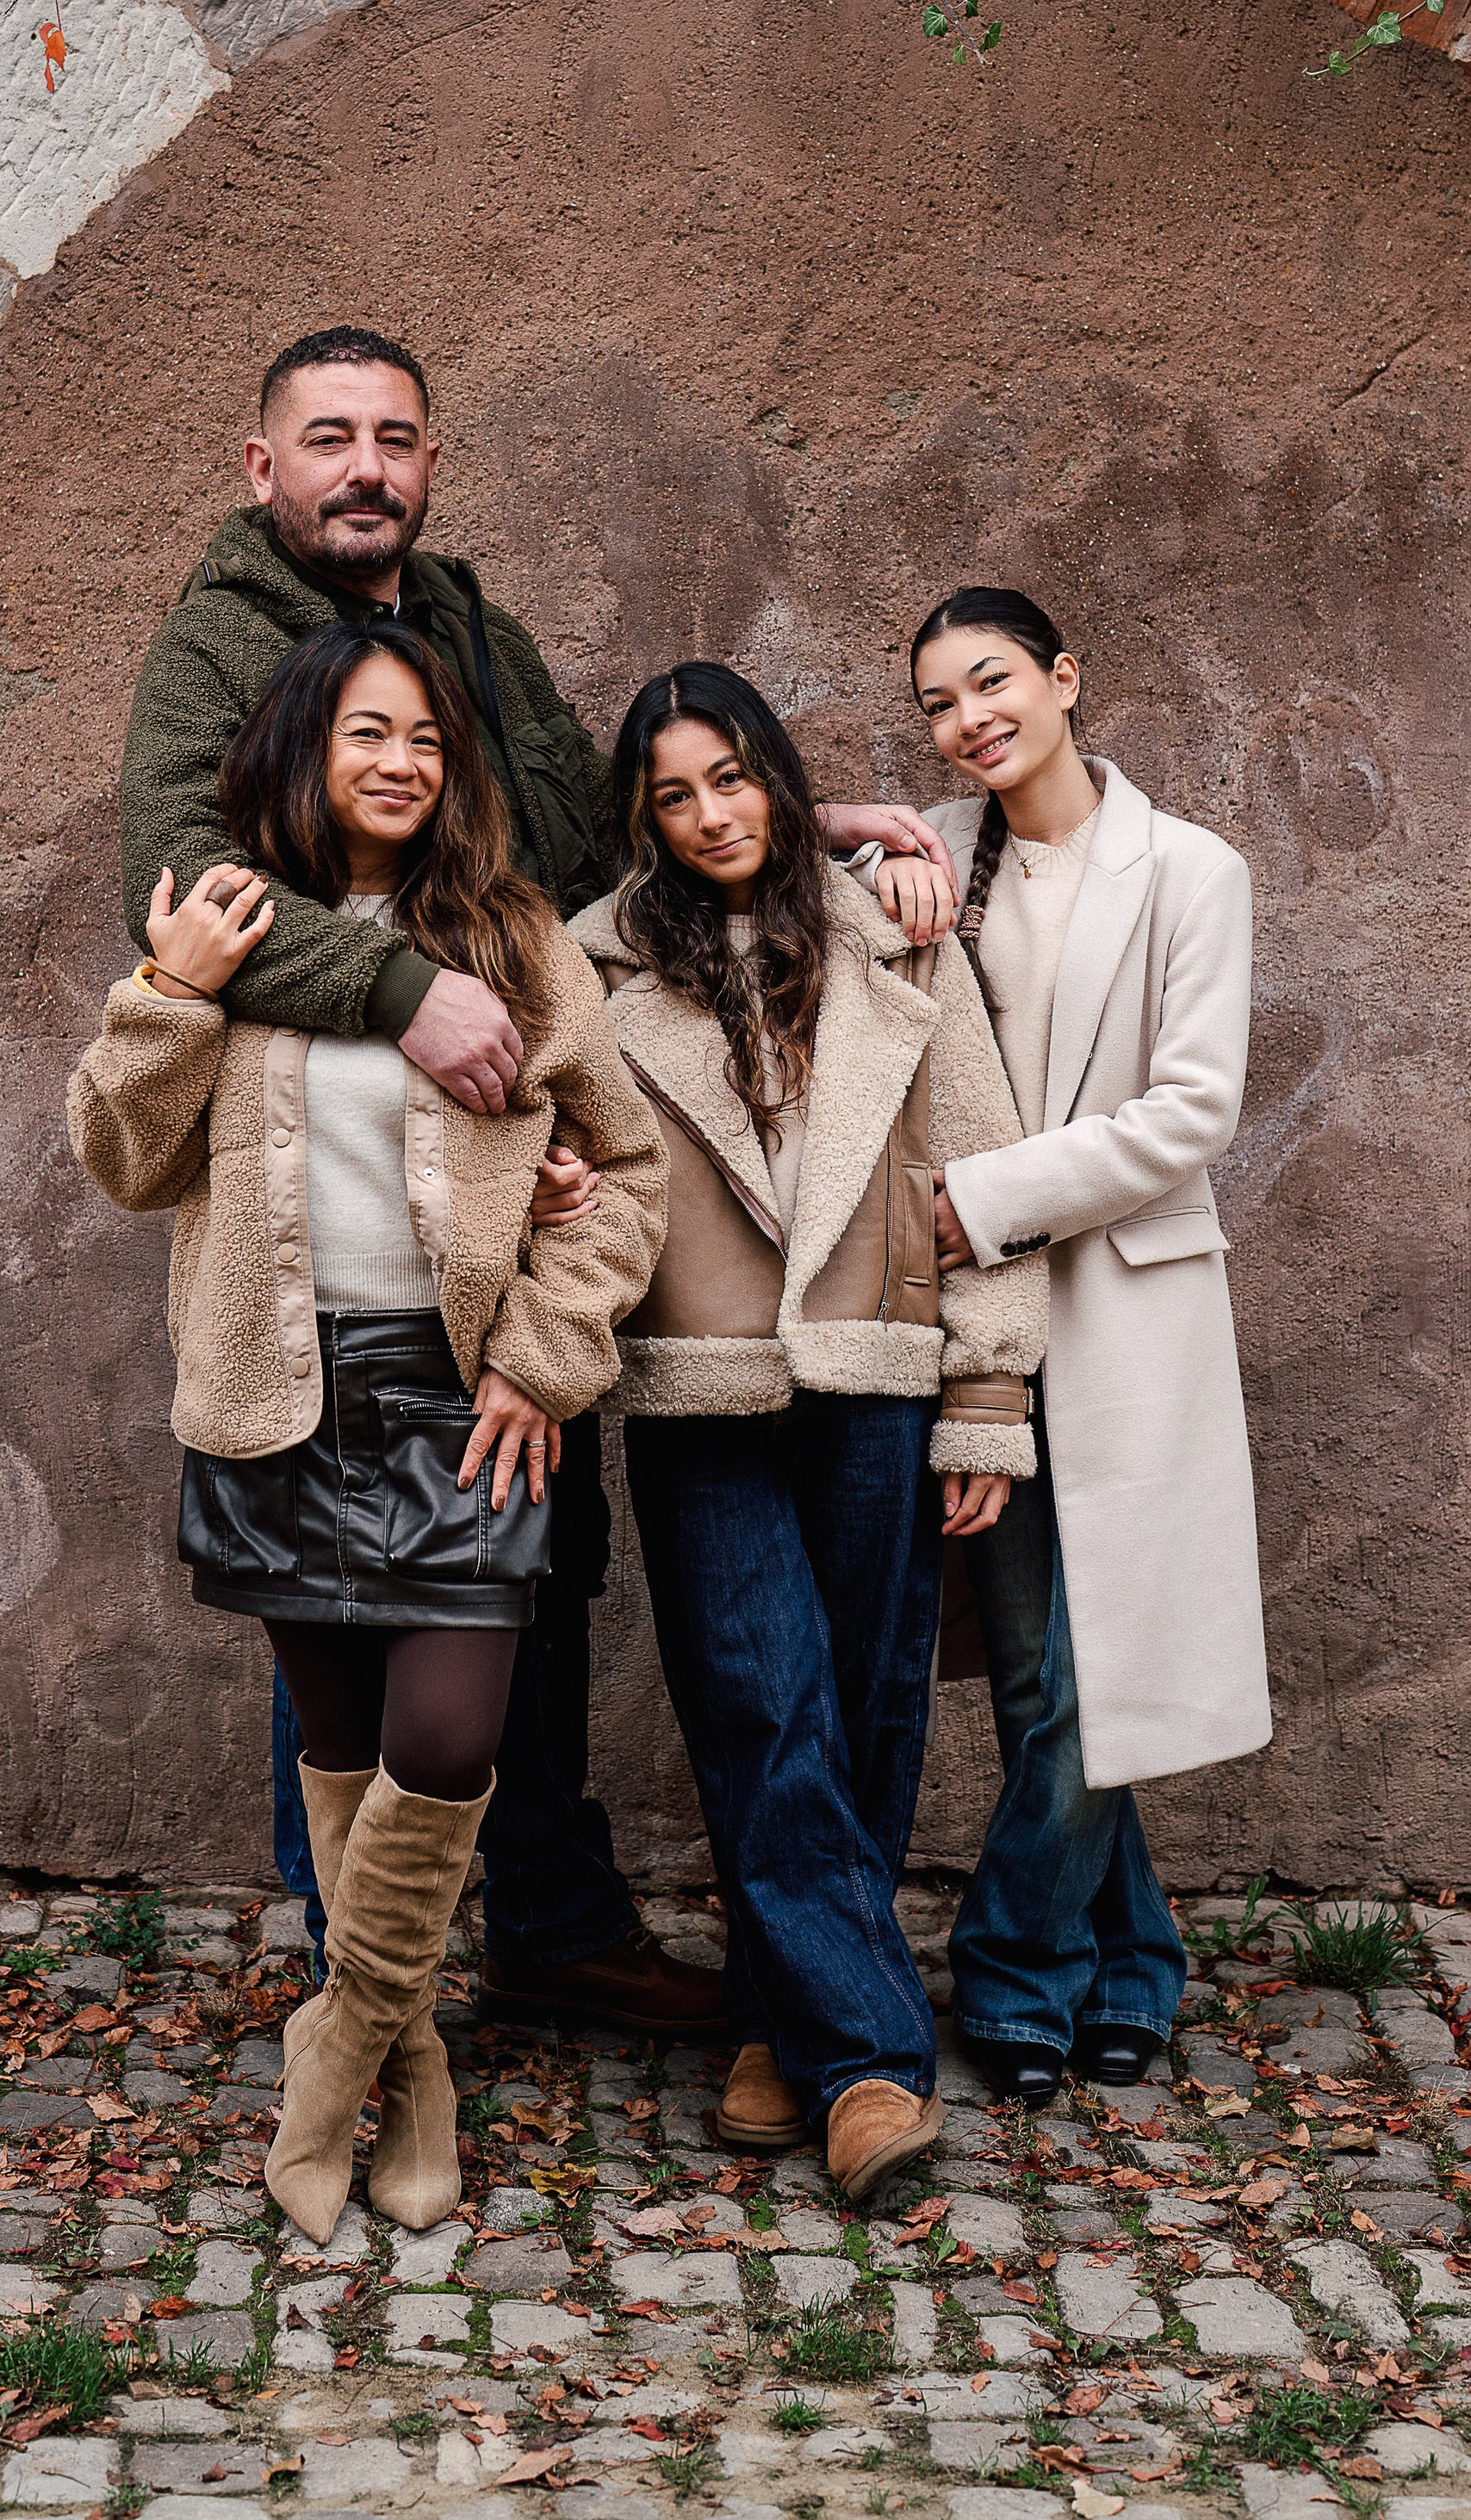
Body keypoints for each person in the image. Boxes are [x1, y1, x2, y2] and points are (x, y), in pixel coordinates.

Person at [117, 320, 962, 2030]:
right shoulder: (217, 644)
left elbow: (586, 845)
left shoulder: (466, 631)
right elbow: (178, 877)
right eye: (331, 436)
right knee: (339, 1606)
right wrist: (398, 991)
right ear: (258, 464)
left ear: (427, 466)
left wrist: (783, 832)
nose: (368, 466)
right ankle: (366, 1989)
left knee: (528, 1560)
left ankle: (554, 1920)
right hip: (324, 1208)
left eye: (397, 438)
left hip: (498, 1193)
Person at [70, 622, 667, 2240]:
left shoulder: (516, 942)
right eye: (364, 733)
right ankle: (415, 2073)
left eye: (425, 736)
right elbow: (125, 1160)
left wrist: (542, 1364)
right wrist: (166, 995)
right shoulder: (234, 929)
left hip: (454, 1396)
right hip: (274, 1390)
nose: (400, 761)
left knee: (452, 1738)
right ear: (303, 753)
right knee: (338, 1753)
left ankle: (330, 2057)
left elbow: (626, 1177)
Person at [570, 664, 1050, 2210]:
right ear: (640, 819)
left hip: (881, 1366)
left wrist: (987, 1395)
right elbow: (550, 1140)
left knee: (866, 1705)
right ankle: (871, 2069)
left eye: (732, 777)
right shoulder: (597, 967)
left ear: (779, 780)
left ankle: (783, 2019)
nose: (711, 814)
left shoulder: (897, 940)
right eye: (674, 792)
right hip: (697, 1383)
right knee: (761, 1703)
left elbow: (984, 1157)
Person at [912, 588, 1271, 2106]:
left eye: (992, 680)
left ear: (1064, 677)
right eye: (938, 701)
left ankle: (1007, 1965)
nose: (970, 718)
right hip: (984, 1328)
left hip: (1125, 1304)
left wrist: (976, 1199)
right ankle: (1131, 1964)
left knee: (1079, 1673)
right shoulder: (930, 852)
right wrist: (886, 814)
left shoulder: (1191, 868)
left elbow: (1192, 1109)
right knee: (1038, 1678)